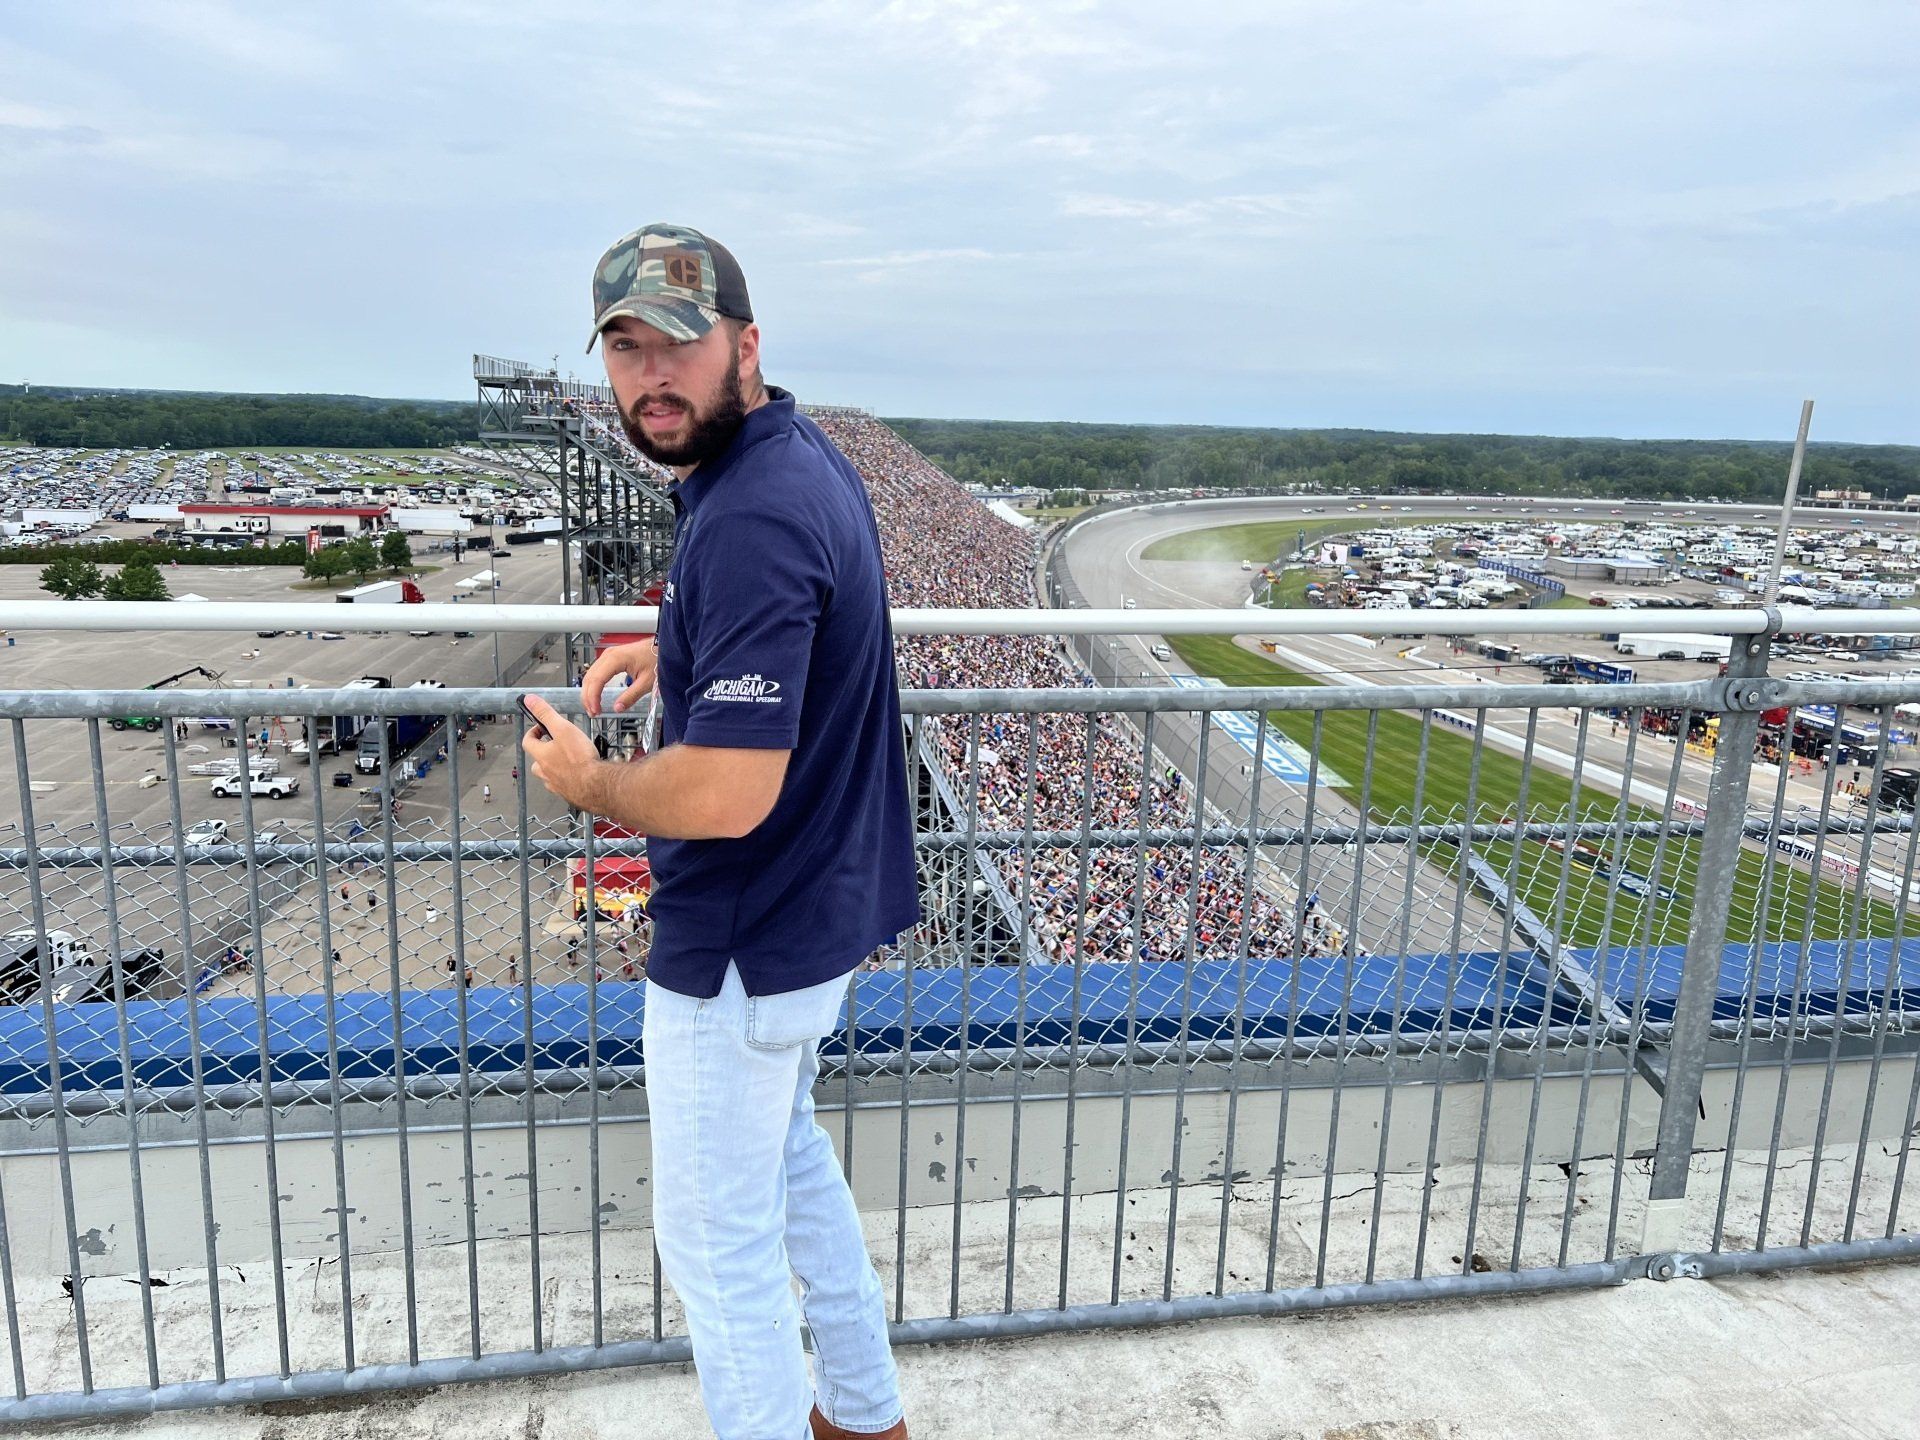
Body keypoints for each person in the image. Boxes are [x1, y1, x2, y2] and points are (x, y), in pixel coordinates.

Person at [522, 222, 918, 1440]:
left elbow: (730, 794)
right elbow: (802, 624)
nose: (653, 375)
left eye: (680, 344)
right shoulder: (801, 457)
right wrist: (677, 646)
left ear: (745, 345)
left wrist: (589, 784)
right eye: (627, 348)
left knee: (715, 1248)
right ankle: (863, 1415)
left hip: (744, 936)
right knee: (792, 1167)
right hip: (816, 918)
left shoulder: (747, 515)